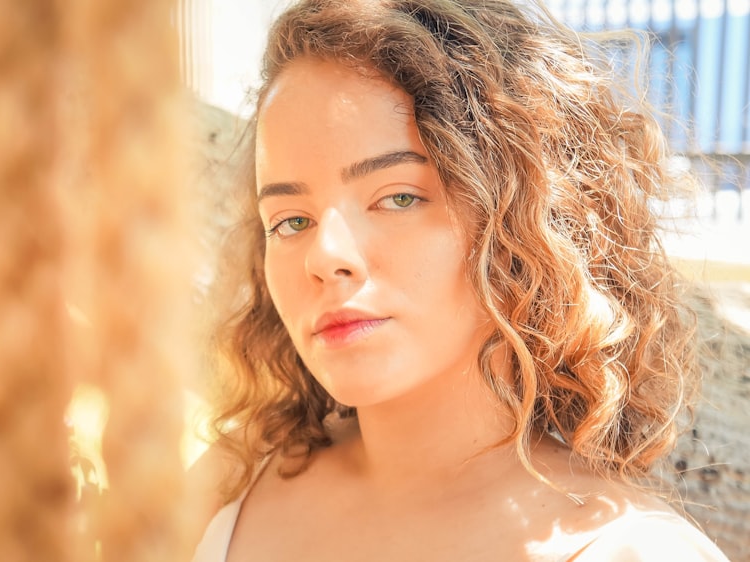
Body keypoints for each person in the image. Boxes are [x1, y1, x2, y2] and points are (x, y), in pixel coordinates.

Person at [189, 0, 731, 560]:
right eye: (291, 221)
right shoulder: (236, 477)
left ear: (525, 222)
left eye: (398, 198)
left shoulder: (631, 550)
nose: (325, 255)